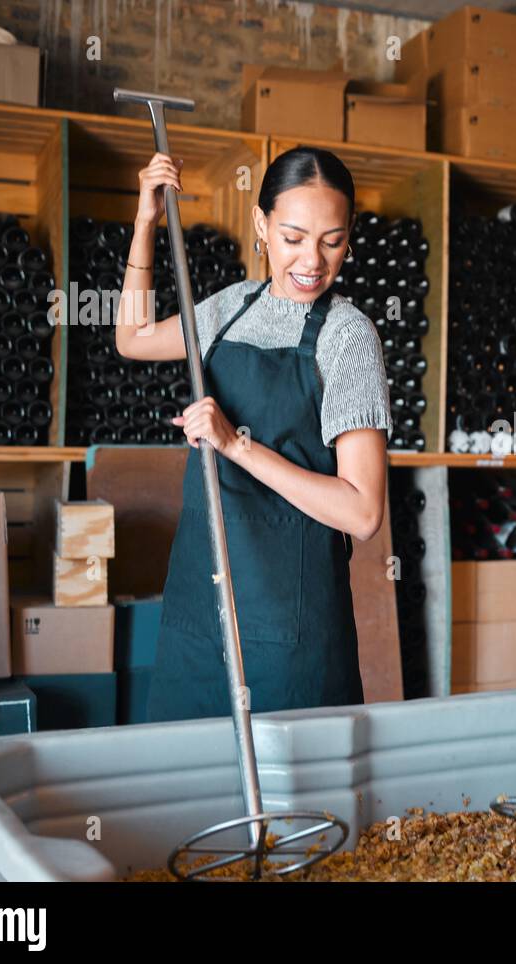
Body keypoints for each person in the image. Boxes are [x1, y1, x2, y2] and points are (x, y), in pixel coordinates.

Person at [115, 146, 391, 721]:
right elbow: (134, 336)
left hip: (292, 632)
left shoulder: (349, 338)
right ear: (262, 226)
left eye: (332, 240)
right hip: (199, 615)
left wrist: (237, 446)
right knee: (190, 793)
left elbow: (363, 513)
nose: (312, 260)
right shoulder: (231, 309)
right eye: (292, 237)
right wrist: (147, 221)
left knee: (294, 806)